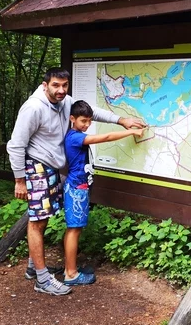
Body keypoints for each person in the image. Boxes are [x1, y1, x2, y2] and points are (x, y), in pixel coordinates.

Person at [7, 67, 145, 295]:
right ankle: (42, 280)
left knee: (44, 218)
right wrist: (19, 180)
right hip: (36, 166)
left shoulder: (65, 102)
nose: (61, 90)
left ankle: (34, 267)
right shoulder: (33, 108)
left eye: (64, 85)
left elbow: (92, 112)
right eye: (55, 85)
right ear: (45, 85)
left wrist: (121, 120)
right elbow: (15, 145)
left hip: (53, 167)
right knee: (38, 221)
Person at [62, 100, 144, 285]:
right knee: (74, 230)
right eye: (83, 121)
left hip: (78, 188)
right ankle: (71, 274)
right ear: (72, 119)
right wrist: (130, 131)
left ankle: (70, 267)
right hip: (77, 189)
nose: (87, 125)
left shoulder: (75, 134)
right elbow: (105, 138)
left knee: (75, 229)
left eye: (90, 120)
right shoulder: (74, 137)